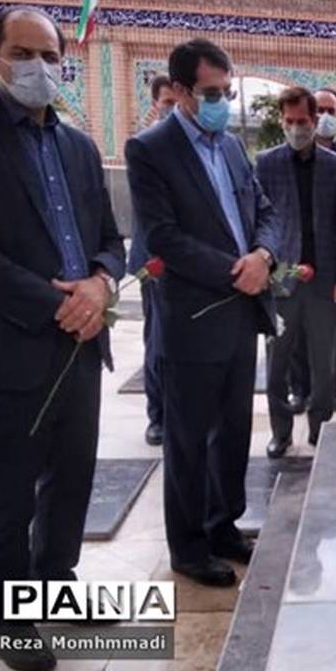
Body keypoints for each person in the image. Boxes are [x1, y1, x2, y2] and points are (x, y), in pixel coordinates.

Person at [0, 6, 124, 671]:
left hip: (83, 342)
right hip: (11, 343)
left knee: (72, 478)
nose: (38, 67)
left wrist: (100, 284)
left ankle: (56, 584)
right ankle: (10, 619)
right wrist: (58, 305)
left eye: (49, 55)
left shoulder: (79, 147)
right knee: (12, 487)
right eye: (23, 53)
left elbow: (111, 241)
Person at [126, 38, 280, 588]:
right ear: (181, 91)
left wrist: (264, 255)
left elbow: (264, 209)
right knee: (189, 439)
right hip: (194, 317)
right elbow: (163, 237)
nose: (221, 102)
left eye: (227, 92)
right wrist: (237, 270)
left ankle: (222, 525)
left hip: (241, 312)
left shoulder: (232, 146)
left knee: (233, 430)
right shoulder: (150, 150)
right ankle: (188, 546)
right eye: (212, 93)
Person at [255, 86, 336, 454]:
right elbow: (259, 220)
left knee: (324, 364)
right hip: (282, 279)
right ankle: (280, 432)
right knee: (277, 364)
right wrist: (264, 269)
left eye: (302, 121)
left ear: (315, 120)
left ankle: (319, 430)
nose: (296, 128)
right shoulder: (266, 163)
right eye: (290, 121)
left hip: (325, 281)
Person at [283, 87, 336, 418]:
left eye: (331, 110)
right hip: (295, 260)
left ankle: (335, 390)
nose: (325, 116)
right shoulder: (284, 158)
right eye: (321, 110)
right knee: (296, 331)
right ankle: (299, 389)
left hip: (335, 259)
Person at [128, 73, 178, 447]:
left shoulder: (204, 147)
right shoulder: (145, 148)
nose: (173, 110)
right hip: (156, 262)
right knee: (158, 339)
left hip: (191, 267)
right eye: (167, 103)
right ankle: (157, 414)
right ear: (156, 104)